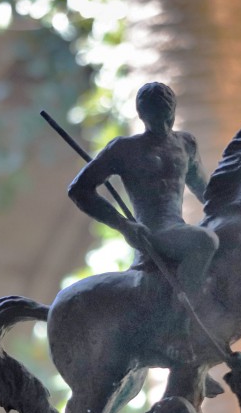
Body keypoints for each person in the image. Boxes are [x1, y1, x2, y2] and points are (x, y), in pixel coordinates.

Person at [68, 82, 219, 322]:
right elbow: (79, 190)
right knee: (206, 241)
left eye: (167, 117)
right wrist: (124, 226)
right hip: (151, 233)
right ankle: (177, 317)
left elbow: (206, 191)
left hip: (178, 228)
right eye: (156, 118)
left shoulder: (185, 144)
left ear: (173, 111)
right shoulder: (125, 149)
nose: (163, 126)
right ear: (142, 116)